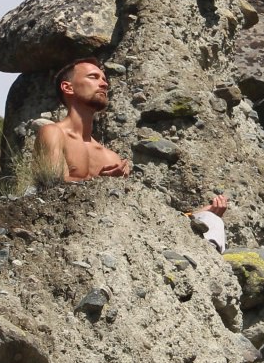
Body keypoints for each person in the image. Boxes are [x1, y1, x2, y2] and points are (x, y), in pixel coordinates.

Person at [37, 57, 229, 250]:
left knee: (211, 220)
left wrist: (197, 215)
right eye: (93, 77)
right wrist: (100, 182)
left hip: (119, 233)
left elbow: (135, 212)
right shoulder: (53, 133)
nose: (104, 83)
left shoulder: (110, 157)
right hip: (74, 232)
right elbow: (51, 185)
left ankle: (207, 251)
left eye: (104, 79)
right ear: (68, 88)